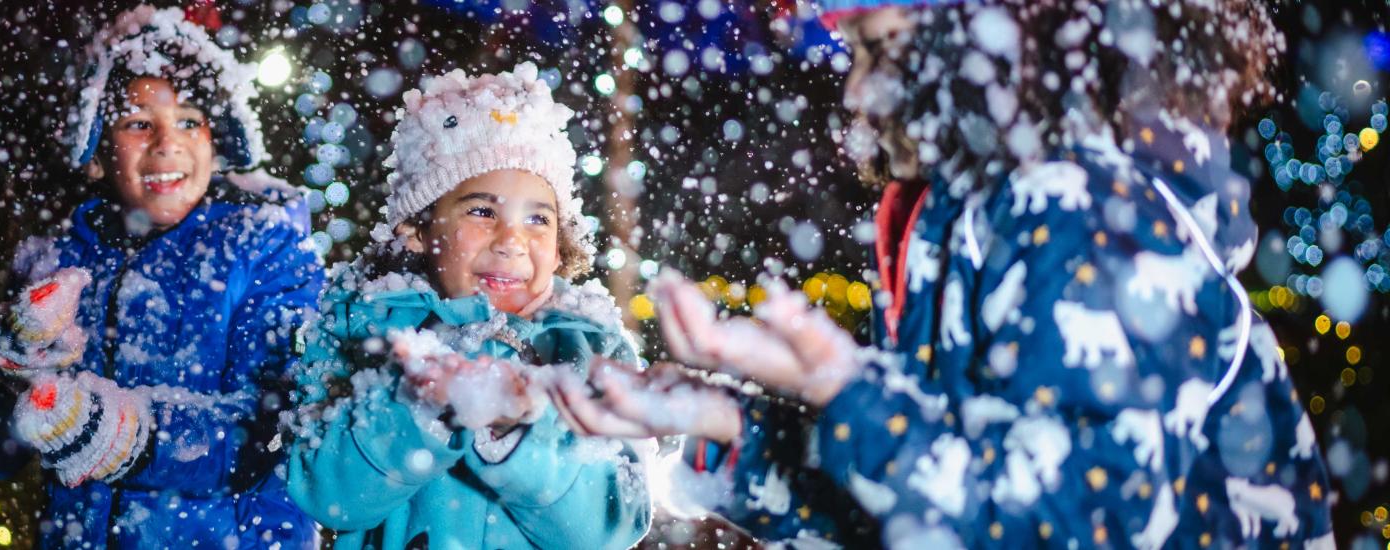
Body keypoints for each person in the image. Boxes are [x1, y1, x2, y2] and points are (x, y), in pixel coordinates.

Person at [555, 0, 1338, 548]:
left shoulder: (1081, 213)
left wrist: (846, 392)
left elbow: (1065, 530)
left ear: (985, 45)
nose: (855, 92)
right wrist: (728, 426)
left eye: (882, 50)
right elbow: (931, 504)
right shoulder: (964, 215)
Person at [0, 6, 322, 548]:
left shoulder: (265, 247)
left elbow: (279, 424)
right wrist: (7, 376)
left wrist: (131, 435)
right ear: (96, 153)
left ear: (217, 139)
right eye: (138, 123)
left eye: (190, 120)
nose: (168, 142)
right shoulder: (57, 264)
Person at [282, 63, 657, 549]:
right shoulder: (359, 325)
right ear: (418, 229)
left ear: (561, 247)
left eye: (538, 220)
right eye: (482, 211)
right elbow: (327, 494)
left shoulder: (592, 347)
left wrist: (517, 435)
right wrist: (424, 408)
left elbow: (611, 524)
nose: (511, 241)